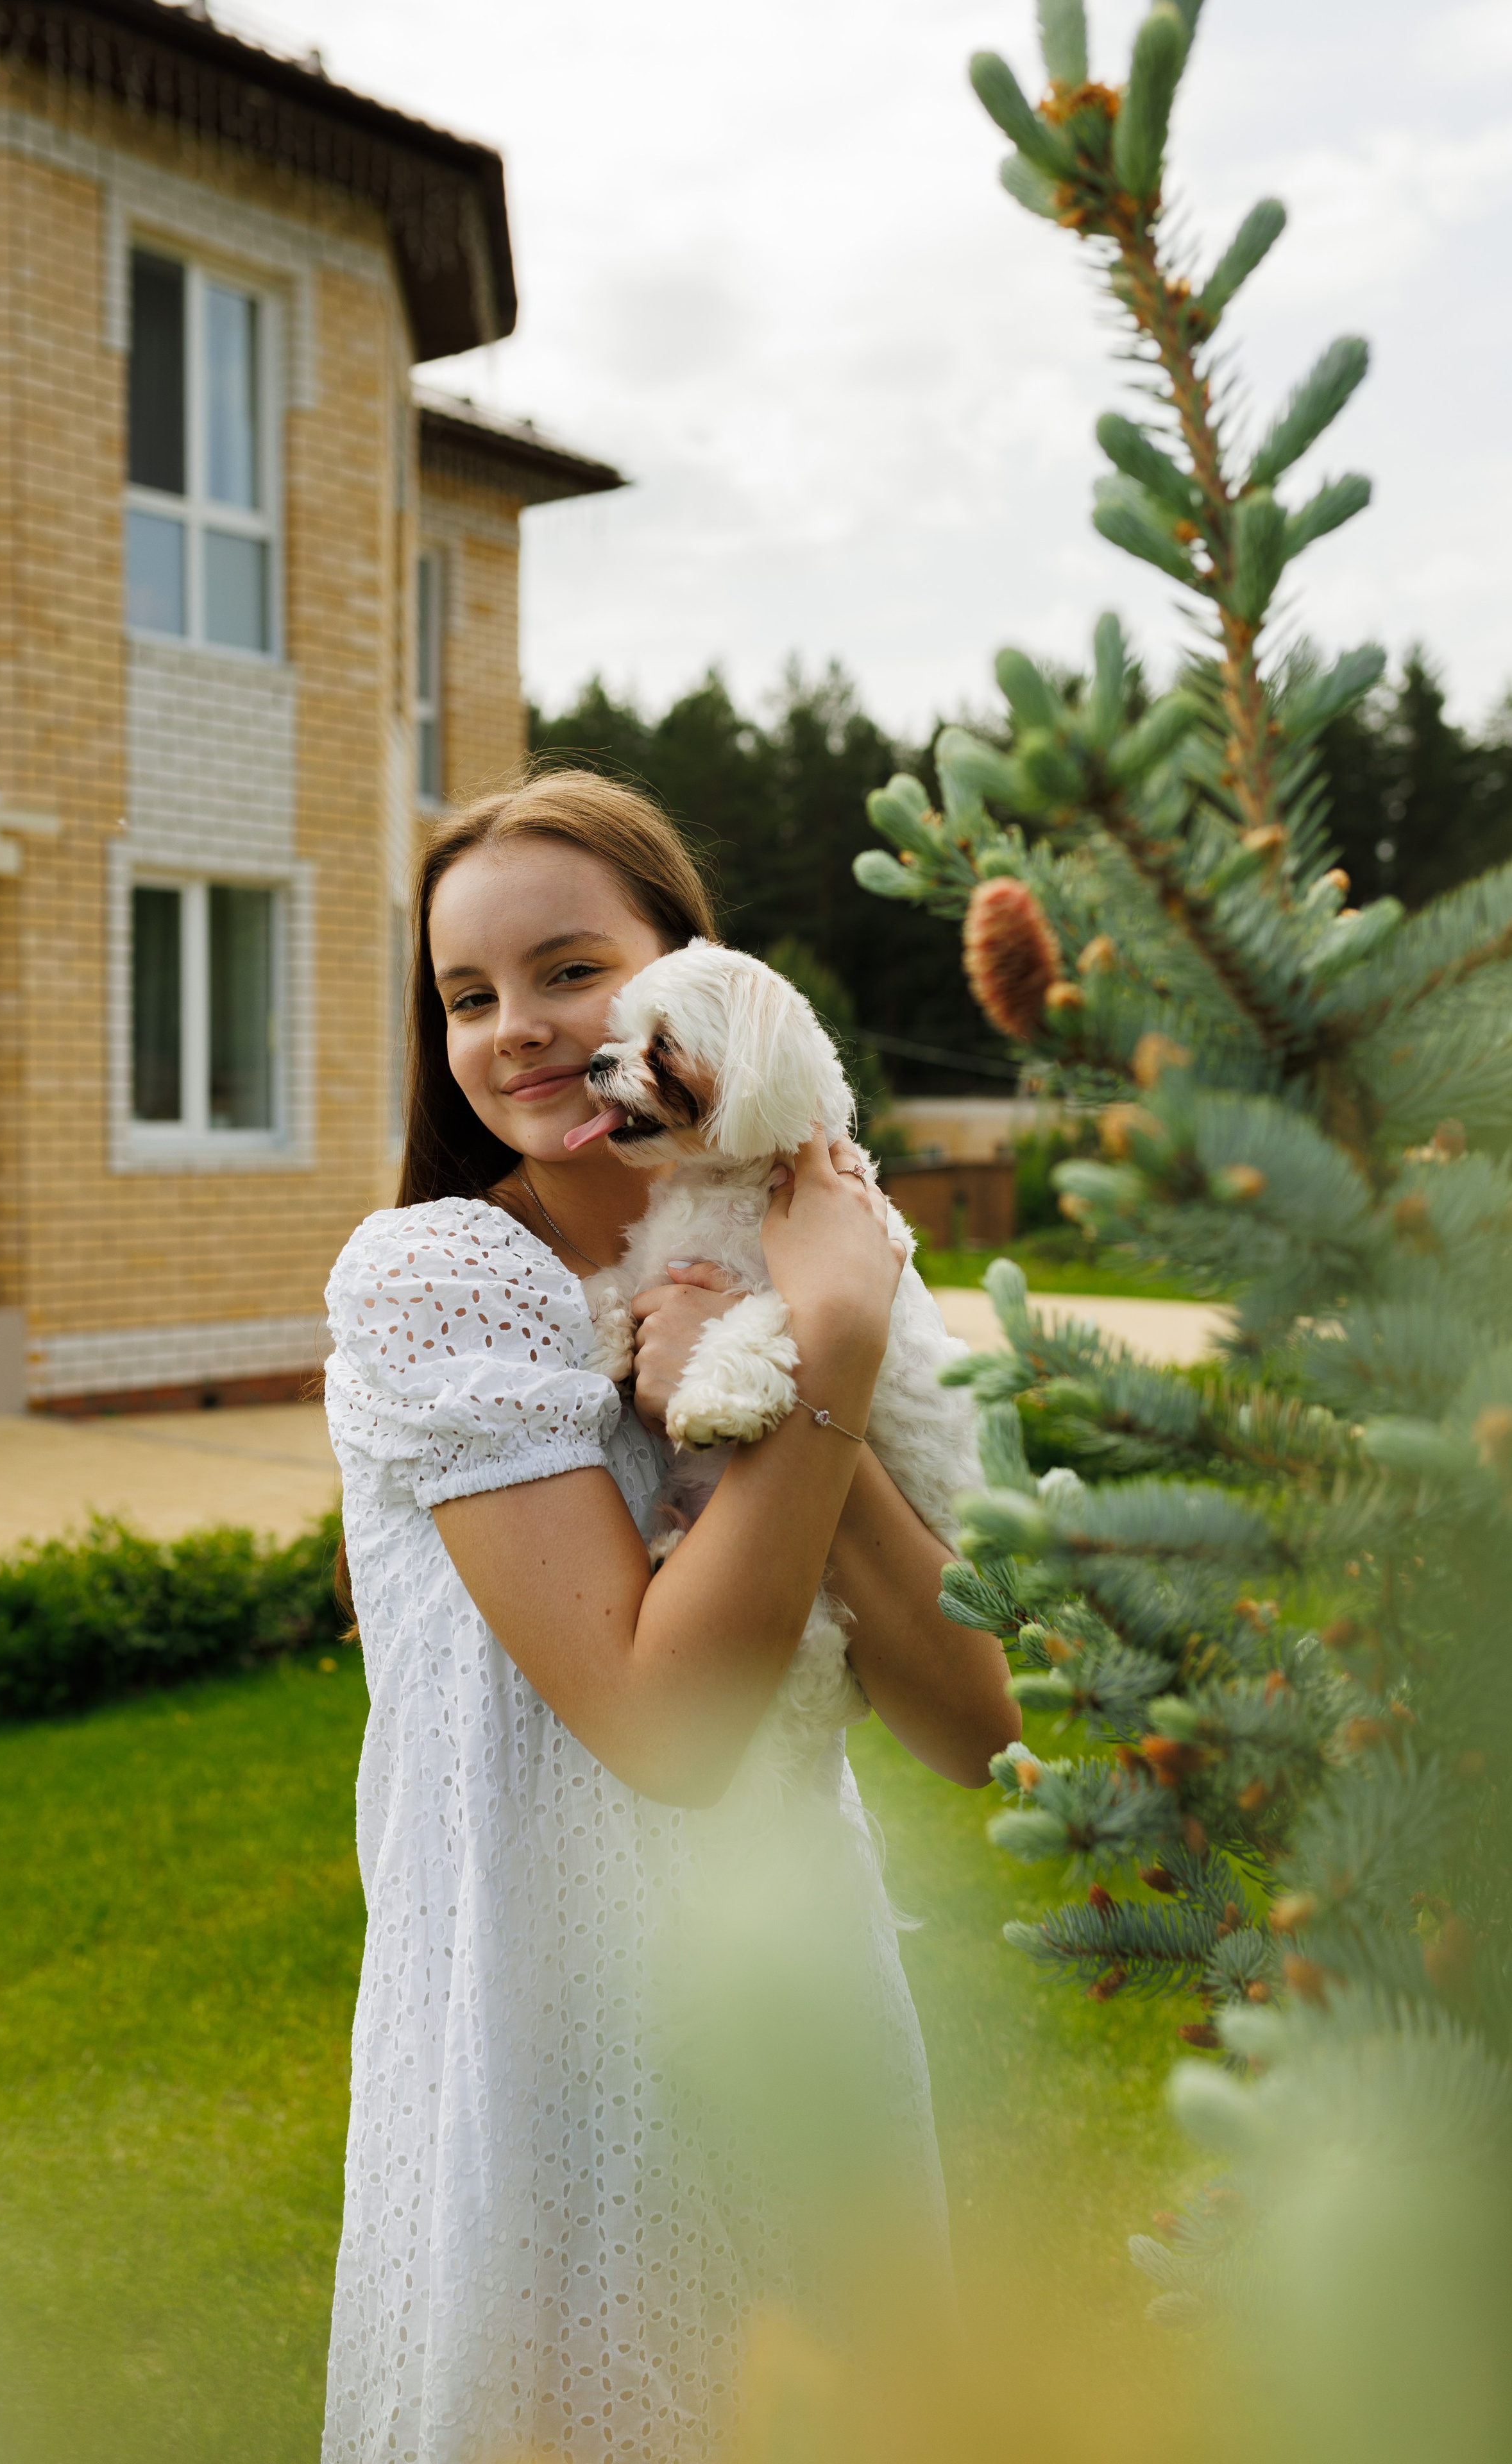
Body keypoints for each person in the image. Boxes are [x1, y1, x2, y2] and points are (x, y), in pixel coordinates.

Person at [319, 771, 1017, 2463]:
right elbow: (667, 1727)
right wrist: (819, 1363)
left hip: (799, 2001)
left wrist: (805, 1357)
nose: (518, 1034)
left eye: (570, 972)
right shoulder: (441, 1282)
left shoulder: (838, 1251)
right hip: (548, 2027)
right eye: (468, 997)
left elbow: (975, 1722)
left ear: (689, 975)